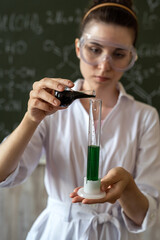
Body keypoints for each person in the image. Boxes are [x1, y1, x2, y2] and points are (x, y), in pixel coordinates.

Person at [0, 0, 160, 239]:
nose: (104, 65)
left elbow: (143, 216)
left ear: (130, 58)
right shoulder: (53, 107)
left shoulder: (145, 117)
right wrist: (31, 119)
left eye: (118, 54)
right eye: (94, 49)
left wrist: (127, 186)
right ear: (78, 48)